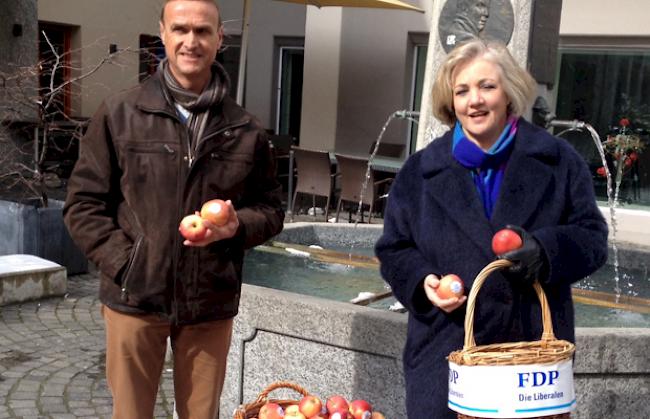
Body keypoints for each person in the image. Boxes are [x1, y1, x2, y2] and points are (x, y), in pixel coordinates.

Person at [63, 0, 284, 417]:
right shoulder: (120, 113)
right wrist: (127, 262)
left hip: (209, 300)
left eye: (202, 31)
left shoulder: (245, 129)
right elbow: (83, 203)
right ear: (162, 34)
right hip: (135, 296)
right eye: (180, 29)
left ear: (220, 38)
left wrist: (236, 228)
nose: (190, 41)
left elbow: (271, 208)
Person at [375, 39, 608, 419]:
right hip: (446, 354)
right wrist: (423, 282)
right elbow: (394, 248)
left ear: (509, 92)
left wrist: (545, 251)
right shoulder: (419, 171)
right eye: (462, 90)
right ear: (451, 102)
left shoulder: (558, 161)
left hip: (529, 362)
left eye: (487, 86)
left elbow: (593, 239)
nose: (475, 101)